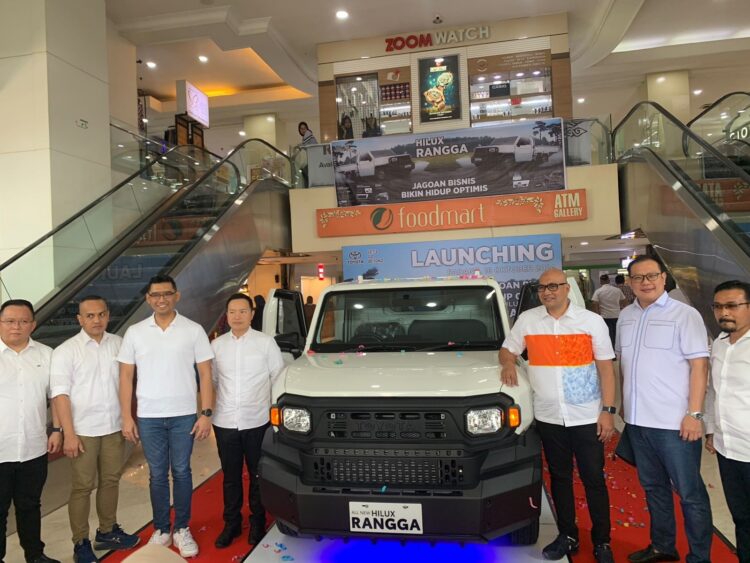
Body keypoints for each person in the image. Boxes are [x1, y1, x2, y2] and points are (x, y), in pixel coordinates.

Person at [499, 268, 616, 563]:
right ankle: (568, 535)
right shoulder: (528, 320)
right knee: (560, 478)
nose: (547, 292)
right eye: (542, 288)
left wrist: (608, 411)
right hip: (549, 417)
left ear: (567, 288)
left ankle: (602, 541)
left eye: (553, 286)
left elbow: (606, 368)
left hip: (587, 415)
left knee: (593, 479)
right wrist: (509, 363)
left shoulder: (591, 321)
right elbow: (506, 349)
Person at [616, 255, 712, 563]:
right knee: (653, 488)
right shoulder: (626, 316)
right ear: (629, 283)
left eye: (651, 276)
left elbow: (699, 366)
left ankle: (699, 557)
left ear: (664, 278)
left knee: (690, 494)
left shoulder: (685, 315)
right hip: (637, 421)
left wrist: (695, 413)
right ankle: (662, 547)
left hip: (675, 423)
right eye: (638, 277)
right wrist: (622, 404)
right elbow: (624, 364)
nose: (645, 282)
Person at [118, 275, 215, 558]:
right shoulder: (135, 332)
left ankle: (182, 527)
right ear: (148, 299)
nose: (161, 299)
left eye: (167, 294)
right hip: (149, 416)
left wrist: (206, 413)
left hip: (184, 415)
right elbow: (126, 377)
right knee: (158, 475)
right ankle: (161, 529)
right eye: (155, 295)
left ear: (177, 296)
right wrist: (127, 416)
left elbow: (206, 373)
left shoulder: (193, 330)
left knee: (183, 472)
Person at [50, 296, 139, 563]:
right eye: (90, 316)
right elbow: (60, 395)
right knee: (82, 487)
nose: (96, 320)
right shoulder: (66, 350)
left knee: (111, 481)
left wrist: (127, 419)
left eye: (101, 314)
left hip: (113, 427)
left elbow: (127, 384)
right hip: (83, 431)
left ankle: (107, 531)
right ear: (79, 319)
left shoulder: (119, 344)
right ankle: (80, 542)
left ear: (108, 315)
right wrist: (69, 434)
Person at [211, 294, 284, 548]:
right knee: (230, 476)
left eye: (243, 311)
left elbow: (278, 377)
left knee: (256, 474)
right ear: (227, 315)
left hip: (257, 421)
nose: (237, 316)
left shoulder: (265, 343)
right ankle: (231, 523)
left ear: (252, 314)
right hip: (225, 421)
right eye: (232, 311)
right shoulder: (217, 346)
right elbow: (215, 383)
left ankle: (257, 522)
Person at [0, 299, 62, 563]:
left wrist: (57, 429)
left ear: (33, 325)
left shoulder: (47, 355)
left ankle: (35, 556)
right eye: (10, 321)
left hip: (34, 448)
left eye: (23, 321)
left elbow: (58, 395)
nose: (17, 326)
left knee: (30, 506)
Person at [705, 280, 750, 563]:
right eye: (719, 307)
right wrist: (711, 429)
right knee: (742, 517)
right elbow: (713, 391)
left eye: (733, 306)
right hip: (727, 448)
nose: (725, 313)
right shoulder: (719, 344)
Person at [591, 273, 626, 346]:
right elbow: (624, 301)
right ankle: (617, 350)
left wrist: (597, 314)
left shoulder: (598, 291)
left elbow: (594, 303)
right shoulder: (617, 290)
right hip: (617, 315)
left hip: (605, 317)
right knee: (617, 334)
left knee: (608, 335)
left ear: (600, 281)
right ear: (609, 280)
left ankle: (611, 350)